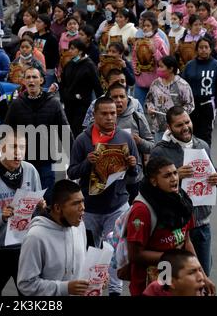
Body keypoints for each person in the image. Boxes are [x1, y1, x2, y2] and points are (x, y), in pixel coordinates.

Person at [68, 96, 141, 296]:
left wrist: (134, 166)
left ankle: (115, 291)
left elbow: (135, 177)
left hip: (117, 208)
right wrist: (87, 163)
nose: (110, 118)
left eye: (113, 114)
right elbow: (72, 173)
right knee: (91, 253)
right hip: (89, 209)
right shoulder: (83, 140)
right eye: (105, 114)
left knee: (114, 254)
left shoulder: (125, 138)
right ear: (95, 115)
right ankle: (92, 290)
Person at [126, 156, 215, 296]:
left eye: (175, 173)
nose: (174, 178)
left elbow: (186, 242)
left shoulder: (182, 201)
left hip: (178, 284)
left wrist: (203, 276)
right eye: (167, 175)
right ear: (154, 181)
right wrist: (173, 258)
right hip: (148, 284)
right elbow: (135, 255)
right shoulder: (141, 210)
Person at [150, 107, 217, 276]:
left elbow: (212, 173)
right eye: (179, 125)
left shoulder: (202, 145)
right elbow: (150, 186)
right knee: (169, 280)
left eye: (187, 122)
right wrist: (175, 174)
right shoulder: (159, 151)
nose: (185, 127)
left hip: (201, 224)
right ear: (169, 127)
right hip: (172, 228)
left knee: (202, 276)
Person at [0, 131, 43, 297]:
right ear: (1, 149)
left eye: (22, 148)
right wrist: (1, 217)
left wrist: (41, 206)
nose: (18, 152)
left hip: (24, 247)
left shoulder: (30, 170)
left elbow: (37, 207)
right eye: (13, 147)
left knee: (29, 293)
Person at [5, 67, 73, 205]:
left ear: (41, 80)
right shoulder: (16, 104)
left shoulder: (53, 103)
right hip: (24, 161)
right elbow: (6, 131)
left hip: (46, 160)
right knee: (25, 201)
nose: (31, 80)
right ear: (23, 81)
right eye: (28, 77)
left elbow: (64, 130)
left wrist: (74, 156)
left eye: (34, 77)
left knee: (46, 200)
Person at [17, 179, 89, 296]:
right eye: (76, 203)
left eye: (82, 201)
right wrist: (64, 288)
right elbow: (26, 284)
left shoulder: (79, 226)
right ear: (57, 208)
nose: (82, 207)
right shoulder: (35, 237)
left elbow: (81, 268)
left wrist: (95, 280)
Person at [106, 82, 155, 204]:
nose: (118, 100)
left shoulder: (136, 117)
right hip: (109, 179)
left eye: (122, 97)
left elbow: (152, 146)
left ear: (127, 98)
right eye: (114, 97)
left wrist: (139, 141)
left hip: (134, 179)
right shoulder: (101, 120)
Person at [182, 37, 217, 147]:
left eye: (206, 47)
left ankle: (206, 162)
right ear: (197, 50)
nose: (203, 50)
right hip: (191, 105)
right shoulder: (189, 65)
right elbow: (183, 85)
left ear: (210, 49)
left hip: (207, 105)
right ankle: (192, 161)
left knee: (205, 136)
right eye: (201, 47)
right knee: (190, 135)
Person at [58, 39, 103, 137]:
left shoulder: (89, 65)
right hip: (69, 104)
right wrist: (64, 97)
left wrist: (101, 104)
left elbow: (97, 86)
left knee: (78, 130)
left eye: (73, 49)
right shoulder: (70, 64)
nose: (70, 51)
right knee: (66, 130)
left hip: (82, 105)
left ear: (81, 51)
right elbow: (63, 83)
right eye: (69, 48)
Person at [145, 55, 194, 141]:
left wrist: (178, 115)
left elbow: (190, 105)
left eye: (161, 66)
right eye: (158, 66)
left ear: (171, 69)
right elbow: (149, 100)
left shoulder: (183, 85)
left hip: (177, 131)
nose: (158, 69)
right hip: (159, 128)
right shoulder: (155, 84)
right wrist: (150, 107)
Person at [132, 13, 168, 107]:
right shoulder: (138, 42)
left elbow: (166, 61)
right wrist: (135, 68)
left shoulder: (159, 41)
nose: (145, 28)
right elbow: (134, 58)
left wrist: (155, 51)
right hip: (140, 82)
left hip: (156, 83)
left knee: (157, 111)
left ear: (154, 27)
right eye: (144, 26)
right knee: (138, 109)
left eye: (148, 26)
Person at [34, 14, 60, 89]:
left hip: (48, 69)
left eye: (39, 22)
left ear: (45, 24)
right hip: (35, 68)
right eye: (36, 21)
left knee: (45, 90)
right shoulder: (34, 36)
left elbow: (55, 56)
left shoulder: (52, 38)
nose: (36, 23)